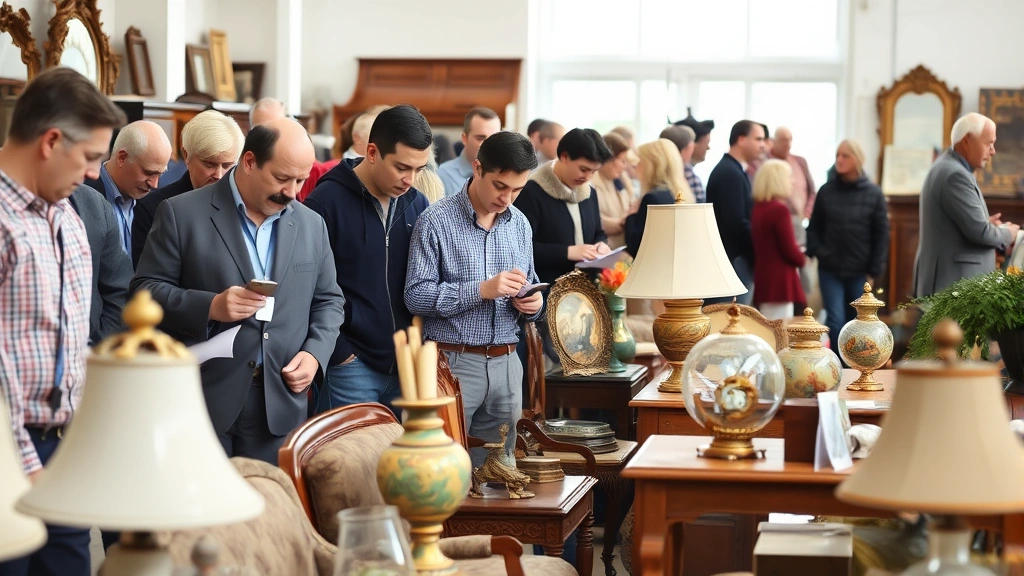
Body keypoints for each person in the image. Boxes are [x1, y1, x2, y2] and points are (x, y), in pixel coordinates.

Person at [132, 118, 345, 464]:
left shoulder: (311, 224)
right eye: (282, 178)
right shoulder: (180, 212)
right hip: (201, 398)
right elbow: (145, 292)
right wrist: (211, 306)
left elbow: (329, 301)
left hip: (279, 403)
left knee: (268, 499)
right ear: (249, 162)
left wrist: (314, 354)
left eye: (300, 180)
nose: (292, 192)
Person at [0, 66, 126, 576]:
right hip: (8, 453)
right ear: (51, 141)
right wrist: (25, 461)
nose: (95, 173)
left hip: (67, 446)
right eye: (91, 157)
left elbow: (74, 338)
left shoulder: (71, 217)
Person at [406, 131, 542, 463]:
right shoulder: (435, 221)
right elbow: (415, 296)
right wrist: (480, 290)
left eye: (517, 190)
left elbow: (531, 283)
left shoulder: (520, 224)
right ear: (477, 168)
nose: (507, 198)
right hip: (452, 363)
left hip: (508, 363)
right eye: (500, 186)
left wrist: (534, 305)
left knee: (501, 471)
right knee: (442, 470)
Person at [304, 105, 432, 415]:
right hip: (351, 368)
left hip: (407, 366)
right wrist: (340, 353)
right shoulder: (325, 202)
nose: (410, 179)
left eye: (419, 169)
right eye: (402, 167)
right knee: (350, 450)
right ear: (372, 152)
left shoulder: (418, 203)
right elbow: (305, 288)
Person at [913, 112, 1019, 297]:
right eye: (988, 143)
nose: (993, 151)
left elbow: (957, 226)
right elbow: (981, 233)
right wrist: (1009, 233)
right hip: (953, 285)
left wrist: (986, 222)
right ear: (968, 140)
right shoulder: (955, 175)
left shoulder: (949, 167)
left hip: (951, 283)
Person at [132, 110, 245, 266]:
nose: (219, 175)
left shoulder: (246, 207)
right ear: (187, 156)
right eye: (209, 164)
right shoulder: (153, 209)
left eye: (227, 166)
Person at [807, 140, 889, 345]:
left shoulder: (873, 193)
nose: (839, 160)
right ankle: (838, 363)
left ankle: (855, 363)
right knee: (835, 320)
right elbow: (814, 228)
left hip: (859, 271)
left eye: (845, 156)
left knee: (858, 322)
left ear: (857, 159)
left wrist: (874, 269)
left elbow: (881, 234)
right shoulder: (826, 191)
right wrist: (819, 251)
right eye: (837, 155)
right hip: (830, 270)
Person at [514, 127, 611, 283]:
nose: (588, 177)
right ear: (564, 156)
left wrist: (601, 245)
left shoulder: (589, 192)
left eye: (594, 171)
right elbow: (521, 247)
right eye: (583, 169)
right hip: (549, 287)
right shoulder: (532, 191)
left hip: (587, 286)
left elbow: (598, 232)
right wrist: (567, 252)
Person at [84, 120, 172, 257]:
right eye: (149, 172)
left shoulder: (156, 207)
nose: (154, 184)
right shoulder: (81, 197)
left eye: (160, 174)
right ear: (122, 158)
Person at [704, 120, 764, 305]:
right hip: (732, 260)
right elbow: (735, 222)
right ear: (742, 139)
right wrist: (758, 247)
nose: (762, 145)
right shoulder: (729, 173)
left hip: (732, 259)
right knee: (729, 317)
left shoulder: (734, 170)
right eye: (758, 139)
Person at [68, 185, 132, 344]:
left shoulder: (94, 203)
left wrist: (102, 344)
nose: (93, 174)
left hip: (93, 349)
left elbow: (119, 288)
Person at [751, 159, 805, 321]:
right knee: (779, 331)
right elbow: (789, 250)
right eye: (789, 177)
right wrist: (802, 257)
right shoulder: (779, 210)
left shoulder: (759, 208)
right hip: (780, 283)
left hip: (764, 279)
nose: (793, 182)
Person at [624, 138, 694, 258]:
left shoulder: (652, 198)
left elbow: (636, 245)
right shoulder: (679, 192)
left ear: (651, 165)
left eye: (640, 161)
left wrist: (631, 215)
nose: (636, 166)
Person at [437, 107, 501, 196]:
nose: (488, 144)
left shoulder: (506, 176)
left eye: (494, 139)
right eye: (480, 138)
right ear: (464, 139)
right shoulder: (441, 177)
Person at [769, 126, 816, 244]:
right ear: (774, 141)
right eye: (784, 140)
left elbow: (812, 190)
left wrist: (807, 213)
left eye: (790, 140)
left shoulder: (800, 162)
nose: (788, 144)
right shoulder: (766, 164)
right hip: (779, 222)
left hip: (800, 221)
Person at [591, 132, 636, 249]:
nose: (624, 166)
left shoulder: (621, 180)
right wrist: (625, 223)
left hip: (623, 249)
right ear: (609, 159)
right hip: (605, 251)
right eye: (622, 160)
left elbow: (632, 207)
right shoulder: (590, 184)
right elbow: (595, 222)